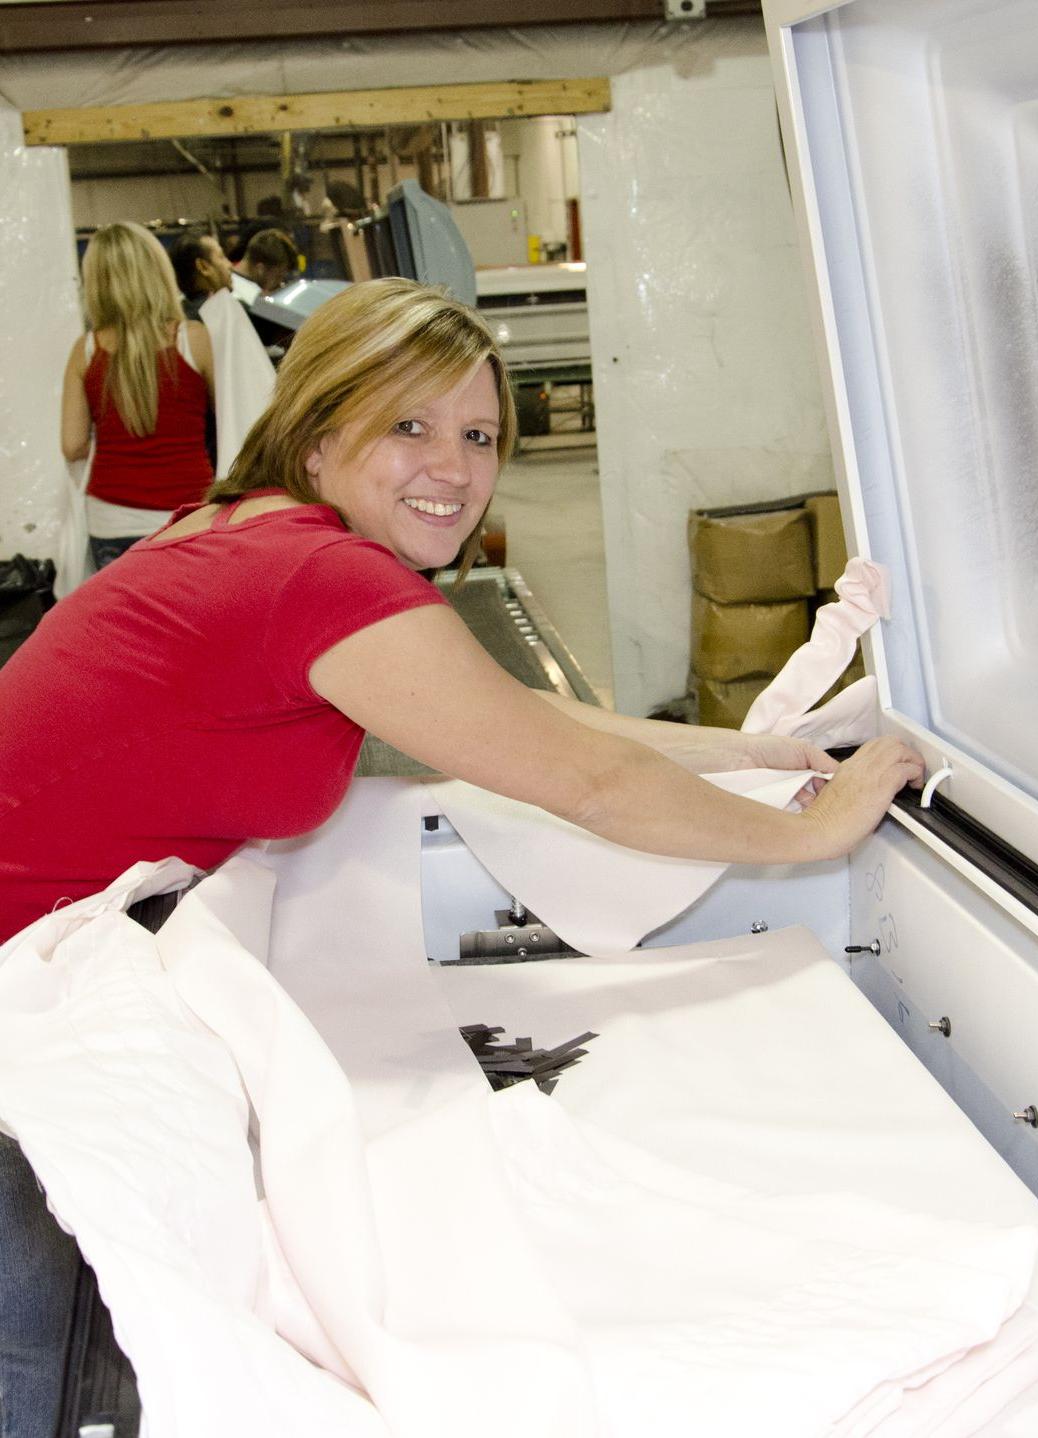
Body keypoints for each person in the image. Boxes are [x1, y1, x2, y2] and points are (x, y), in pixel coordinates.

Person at [2, 276, 924, 1435]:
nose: (453, 466)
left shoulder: (252, 529)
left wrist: (749, 752)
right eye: (410, 424)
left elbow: (522, 718)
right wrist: (808, 835)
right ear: (318, 433)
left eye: (479, 435)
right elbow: (584, 782)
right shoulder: (320, 579)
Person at [60, 222, 216, 568]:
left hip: (111, 519)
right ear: (157, 270)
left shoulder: (86, 350)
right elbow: (233, 418)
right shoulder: (193, 339)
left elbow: (72, 445)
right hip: (189, 511)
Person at [168, 230, 235, 319]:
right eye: (221, 256)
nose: (230, 265)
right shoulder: (219, 315)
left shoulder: (181, 314)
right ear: (203, 267)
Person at [233, 227, 299, 296]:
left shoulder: (232, 280)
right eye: (278, 276)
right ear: (260, 269)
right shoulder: (252, 298)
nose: (280, 283)